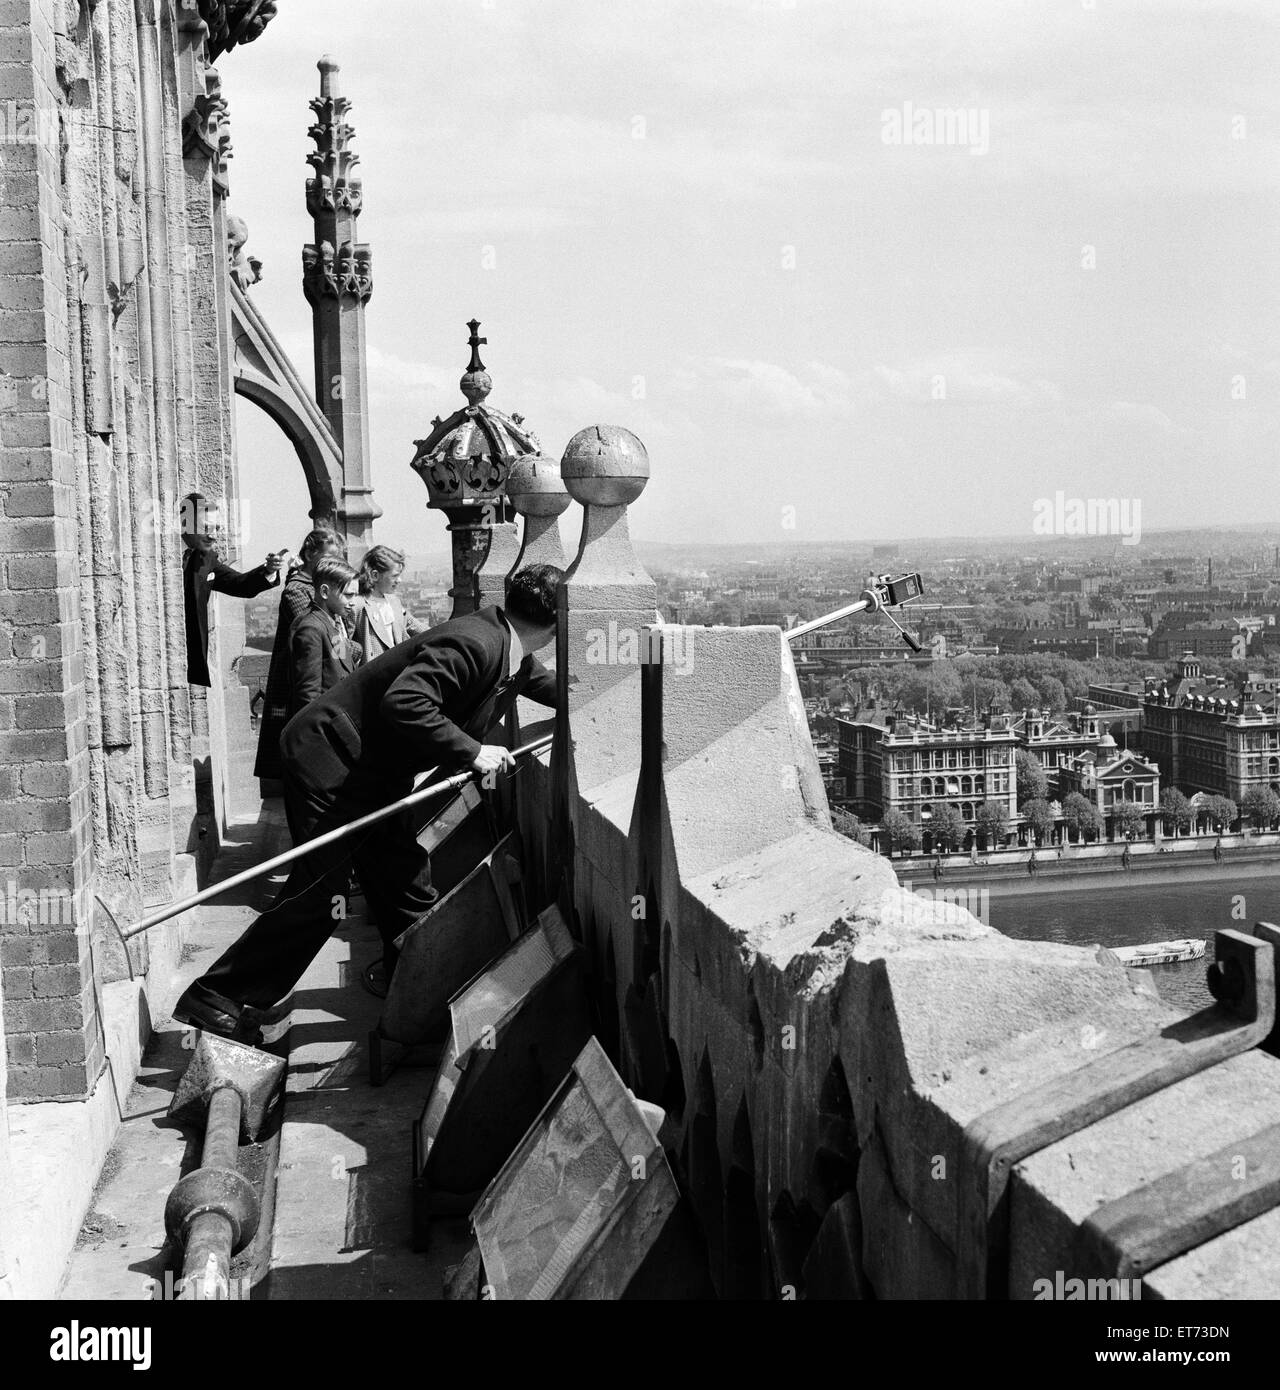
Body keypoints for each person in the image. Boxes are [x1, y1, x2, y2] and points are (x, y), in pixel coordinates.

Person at [172, 563, 565, 1041]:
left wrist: (595, 694)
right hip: (332, 761)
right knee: (323, 895)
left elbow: (550, 686)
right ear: (557, 620)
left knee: (406, 886)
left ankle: (418, 1002)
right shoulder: (476, 643)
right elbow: (405, 703)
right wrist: (473, 751)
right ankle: (218, 996)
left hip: (374, 774)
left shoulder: (509, 650)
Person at [254, 528, 348, 782]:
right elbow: (314, 636)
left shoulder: (318, 586)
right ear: (309, 553)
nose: (330, 563)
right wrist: (350, 650)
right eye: (327, 557)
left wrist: (347, 651)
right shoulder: (297, 590)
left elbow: (336, 640)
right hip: (300, 681)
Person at [180, 493, 287, 687]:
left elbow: (240, 584)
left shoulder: (205, 559)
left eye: (216, 529)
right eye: (206, 528)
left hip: (189, 662)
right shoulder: (158, 555)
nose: (213, 535)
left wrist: (269, 570)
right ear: (185, 523)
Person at [287, 557, 361, 720]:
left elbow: (341, 663)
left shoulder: (331, 622)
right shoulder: (311, 628)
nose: (353, 602)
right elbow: (308, 697)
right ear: (325, 592)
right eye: (348, 595)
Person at [348, 544, 424, 664]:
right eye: (395, 576)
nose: (399, 580)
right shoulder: (357, 605)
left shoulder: (394, 601)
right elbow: (343, 645)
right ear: (375, 575)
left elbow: (416, 627)